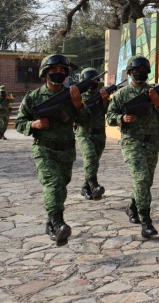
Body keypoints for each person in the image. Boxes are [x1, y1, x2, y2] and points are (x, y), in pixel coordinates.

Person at [15, 54, 91, 246]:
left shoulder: (72, 95)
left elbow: (86, 121)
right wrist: (34, 124)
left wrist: (78, 104)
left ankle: (51, 223)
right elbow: (19, 123)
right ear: (44, 73)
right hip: (44, 150)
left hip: (66, 151)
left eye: (61, 71)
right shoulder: (34, 97)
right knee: (53, 184)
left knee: (61, 189)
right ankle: (58, 223)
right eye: (53, 70)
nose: (58, 73)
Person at [107, 55, 159, 238]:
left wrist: (157, 102)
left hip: (152, 141)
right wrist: (122, 118)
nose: (140, 73)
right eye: (137, 70)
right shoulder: (121, 94)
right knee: (142, 179)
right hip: (132, 141)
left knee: (146, 181)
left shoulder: (155, 92)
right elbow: (110, 116)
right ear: (130, 72)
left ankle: (132, 207)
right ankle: (146, 221)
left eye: (144, 70)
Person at [76, 68, 110, 201]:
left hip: (100, 134)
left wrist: (106, 101)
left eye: (96, 80)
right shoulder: (79, 97)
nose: (93, 82)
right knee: (90, 157)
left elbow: (110, 113)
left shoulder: (103, 95)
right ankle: (94, 185)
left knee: (94, 163)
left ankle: (85, 188)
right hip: (84, 133)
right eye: (90, 80)